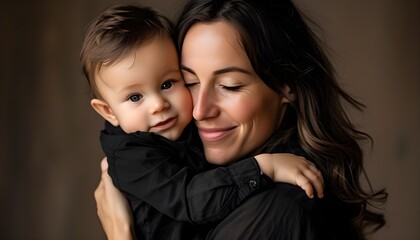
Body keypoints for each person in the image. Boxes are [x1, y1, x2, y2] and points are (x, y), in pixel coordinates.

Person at [93, 0, 388, 239]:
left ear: (288, 86)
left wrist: (121, 235)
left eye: (230, 85)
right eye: (190, 82)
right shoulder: (167, 154)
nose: (200, 111)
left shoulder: (277, 212)